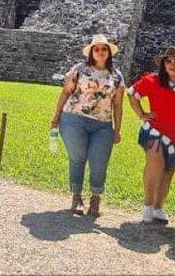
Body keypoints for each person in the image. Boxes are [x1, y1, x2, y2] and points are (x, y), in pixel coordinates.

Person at [50, 34, 125, 217]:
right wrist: (56, 116)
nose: (100, 52)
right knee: (78, 159)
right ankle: (76, 198)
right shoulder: (79, 69)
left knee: (99, 162)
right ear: (91, 52)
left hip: (102, 125)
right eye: (97, 49)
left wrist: (117, 129)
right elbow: (65, 93)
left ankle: (95, 200)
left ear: (109, 52)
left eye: (104, 49)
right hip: (74, 119)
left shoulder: (117, 76)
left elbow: (118, 104)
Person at [128, 46, 175, 224]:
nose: (172, 65)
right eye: (168, 61)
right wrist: (141, 114)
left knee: (168, 172)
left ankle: (158, 207)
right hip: (156, 133)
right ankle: (148, 206)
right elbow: (132, 94)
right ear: (163, 64)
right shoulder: (152, 80)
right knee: (155, 166)